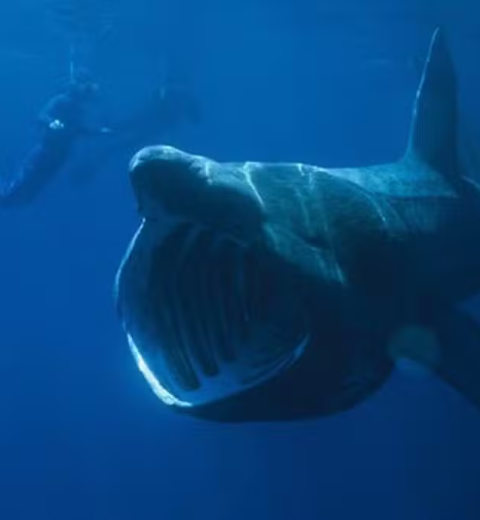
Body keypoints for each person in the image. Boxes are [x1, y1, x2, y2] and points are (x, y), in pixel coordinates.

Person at [0, 69, 111, 206]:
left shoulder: (77, 108)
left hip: (58, 157)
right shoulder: (61, 100)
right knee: (17, 188)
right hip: (47, 152)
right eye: (87, 88)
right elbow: (42, 115)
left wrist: (97, 132)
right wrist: (50, 122)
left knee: (29, 193)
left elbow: (77, 130)